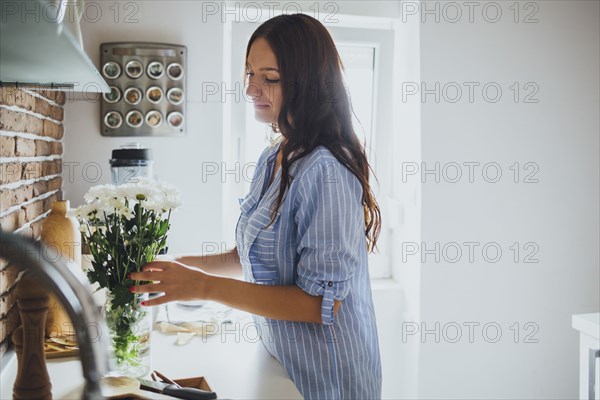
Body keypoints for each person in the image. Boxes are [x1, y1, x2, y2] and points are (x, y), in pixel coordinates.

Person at [130, 13, 382, 400]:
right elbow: (248, 256)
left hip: (327, 377)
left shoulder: (327, 172)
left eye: (270, 78)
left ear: (309, 85)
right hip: (281, 360)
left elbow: (319, 304)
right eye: (249, 73)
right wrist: (177, 265)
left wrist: (201, 285)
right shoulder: (274, 156)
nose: (251, 89)